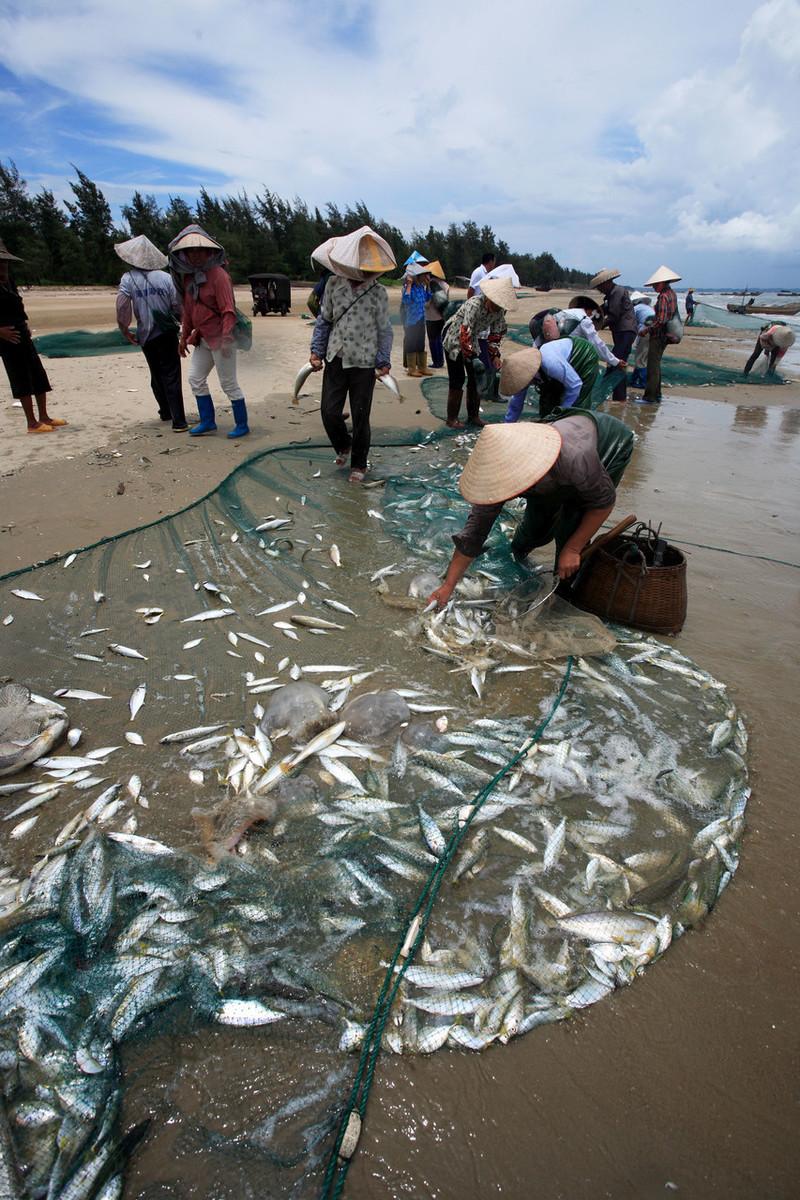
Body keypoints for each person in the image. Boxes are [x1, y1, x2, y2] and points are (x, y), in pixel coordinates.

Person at [427, 411, 634, 608]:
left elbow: (603, 503)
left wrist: (573, 548)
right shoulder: (497, 478)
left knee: (571, 525)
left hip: (607, 446)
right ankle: (521, 550)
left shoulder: (576, 457)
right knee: (536, 530)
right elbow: (473, 536)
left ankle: (564, 589)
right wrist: (447, 586)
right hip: (556, 471)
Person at [309, 226, 394, 484]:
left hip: (365, 362)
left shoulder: (378, 292)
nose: (365, 272)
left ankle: (359, 463)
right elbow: (324, 321)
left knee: (360, 415)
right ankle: (343, 444)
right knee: (329, 412)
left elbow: (385, 330)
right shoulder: (333, 284)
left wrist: (383, 361)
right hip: (336, 357)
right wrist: (316, 352)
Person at [169, 224, 249, 439]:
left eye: (199, 251)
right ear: (184, 254)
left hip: (223, 338)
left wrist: (225, 339)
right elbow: (189, 310)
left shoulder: (219, 276)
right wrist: (183, 337)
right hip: (203, 337)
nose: (195, 255)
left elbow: (228, 310)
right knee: (195, 378)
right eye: (190, 251)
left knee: (228, 383)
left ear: (209, 252)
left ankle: (242, 424)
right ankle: (208, 421)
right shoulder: (188, 278)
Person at [115, 234, 187, 431]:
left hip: (145, 335)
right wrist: (184, 329)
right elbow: (178, 307)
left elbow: (122, 308)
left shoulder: (128, 279)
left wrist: (124, 330)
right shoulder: (166, 279)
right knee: (171, 375)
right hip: (166, 334)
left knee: (156, 374)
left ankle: (165, 411)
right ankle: (178, 420)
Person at [0, 238, 66, 434]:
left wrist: (24, 324)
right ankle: (32, 422)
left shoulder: (9, 282)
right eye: (0, 263)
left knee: (37, 373)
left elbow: (18, 307)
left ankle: (44, 416)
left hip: (20, 330)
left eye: (5, 262)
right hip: (6, 337)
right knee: (20, 377)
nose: (3, 266)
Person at [441, 275, 517, 428]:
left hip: (472, 338)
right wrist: (472, 357)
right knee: (458, 378)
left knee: (476, 378)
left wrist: (494, 355)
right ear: (489, 297)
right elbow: (466, 330)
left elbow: (496, 335)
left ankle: (474, 416)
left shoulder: (499, 312)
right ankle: (451, 419)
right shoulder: (474, 304)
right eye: (495, 304)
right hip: (455, 337)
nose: (496, 308)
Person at [500, 339, 601, 423]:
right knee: (547, 405)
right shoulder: (520, 376)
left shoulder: (551, 364)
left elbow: (576, 385)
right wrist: (507, 425)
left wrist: (562, 412)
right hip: (554, 369)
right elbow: (516, 404)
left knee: (576, 408)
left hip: (583, 355)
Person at [589, 268, 637, 403]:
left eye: (600, 286)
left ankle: (613, 396)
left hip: (626, 331)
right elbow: (602, 309)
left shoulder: (617, 292)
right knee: (619, 362)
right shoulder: (610, 296)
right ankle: (619, 397)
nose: (599, 289)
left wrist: (597, 326)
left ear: (606, 282)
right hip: (621, 331)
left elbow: (614, 315)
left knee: (615, 362)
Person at [529, 305, 623, 368]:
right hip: (557, 354)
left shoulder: (566, 312)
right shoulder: (584, 319)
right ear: (589, 311)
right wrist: (615, 361)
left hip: (541, 346)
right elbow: (597, 344)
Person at [640, 265, 681, 404]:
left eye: (655, 284)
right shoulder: (672, 294)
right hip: (666, 335)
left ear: (662, 282)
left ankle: (650, 397)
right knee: (656, 365)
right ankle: (657, 394)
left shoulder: (663, 296)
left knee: (652, 367)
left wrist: (647, 329)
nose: (653, 287)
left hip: (658, 335)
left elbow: (661, 320)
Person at [401, 263, 432, 377]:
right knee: (411, 344)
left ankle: (422, 367)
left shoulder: (420, 288)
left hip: (421, 319)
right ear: (417, 276)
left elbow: (428, 297)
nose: (426, 277)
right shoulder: (409, 288)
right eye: (423, 275)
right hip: (411, 321)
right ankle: (411, 369)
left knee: (420, 343)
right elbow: (406, 301)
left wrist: (428, 285)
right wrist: (409, 285)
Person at [628, 291, 656, 390]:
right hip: (655, 333)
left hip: (646, 332)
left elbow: (630, 322)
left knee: (640, 359)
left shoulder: (636, 308)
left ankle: (643, 383)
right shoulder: (648, 308)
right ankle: (633, 380)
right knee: (643, 357)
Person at [424, 261, 449, 368]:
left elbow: (428, 302)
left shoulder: (430, 284)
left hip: (431, 316)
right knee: (440, 339)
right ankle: (441, 361)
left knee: (432, 340)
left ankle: (436, 362)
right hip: (442, 315)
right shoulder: (446, 285)